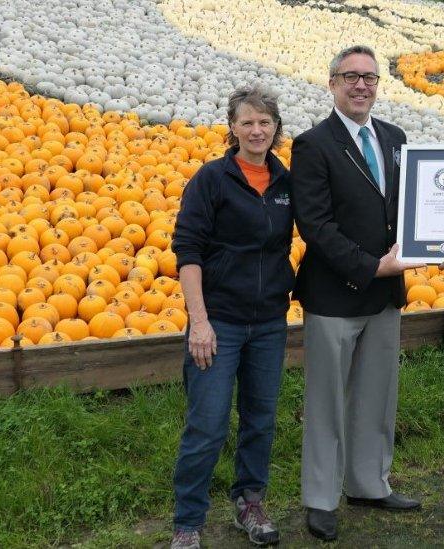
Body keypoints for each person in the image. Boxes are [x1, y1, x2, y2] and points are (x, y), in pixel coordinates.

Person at [290, 44, 423, 542]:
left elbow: (410, 210)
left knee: (376, 396)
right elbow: (316, 226)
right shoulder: (313, 144)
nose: (362, 85)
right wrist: (371, 266)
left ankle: (369, 483)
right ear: (333, 83)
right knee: (327, 402)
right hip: (336, 294)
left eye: (369, 77)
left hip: (386, 295)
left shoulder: (394, 138)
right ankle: (321, 498)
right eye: (351, 77)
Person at [169, 84, 294, 549]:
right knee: (208, 424)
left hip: (268, 323)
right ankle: (188, 522)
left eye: (265, 122)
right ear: (232, 128)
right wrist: (198, 321)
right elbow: (188, 251)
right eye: (247, 122)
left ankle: (250, 503)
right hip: (217, 322)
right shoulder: (211, 179)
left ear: (276, 128)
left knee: (260, 418)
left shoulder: (285, 182)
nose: (257, 130)